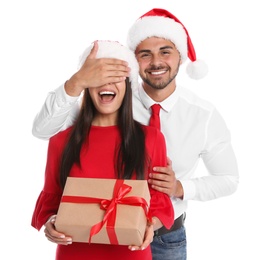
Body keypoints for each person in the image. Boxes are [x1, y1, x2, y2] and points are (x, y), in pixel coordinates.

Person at [32, 8, 239, 260]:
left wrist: (180, 187)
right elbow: (44, 132)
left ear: (180, 58)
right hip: (82, 240)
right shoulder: (78, 123)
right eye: (145, 54)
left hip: (165, 233)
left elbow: (228, 179)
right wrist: (77, 81)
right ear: (135, 62)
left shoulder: (200, 116)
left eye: (165, 51)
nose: (156, 62)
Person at [31, 40, 174, 260]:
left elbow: (157, 200)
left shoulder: (151, 138)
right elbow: (52, 199)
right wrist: (50, 223)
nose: (106, 83)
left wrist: (150, 226)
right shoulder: (61, 141)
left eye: (115, 77)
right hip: (74, 253)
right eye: (97, 77)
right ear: (86, 85)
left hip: (130, 254)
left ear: (127, 85)